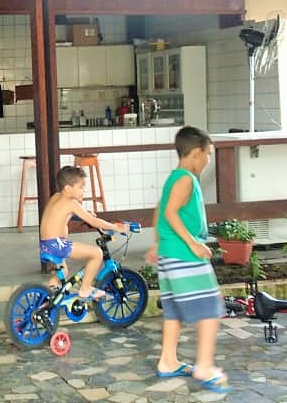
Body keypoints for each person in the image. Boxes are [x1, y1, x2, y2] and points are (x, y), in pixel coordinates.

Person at [144, 126, 230, 394]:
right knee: (210, 307)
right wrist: (193, 243)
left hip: (171, 253)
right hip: (184, 253)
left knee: (174, 310)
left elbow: (161, 209)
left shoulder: (175, 178)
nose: (208, 160)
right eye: (207, 155)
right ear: (195, 153)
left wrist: (158, 242)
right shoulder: (186, 180)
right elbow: (170, 212)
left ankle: (168, 361)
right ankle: (204, 367)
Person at [39, 165, 125, 300]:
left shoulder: (56, 197)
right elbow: (93, 221)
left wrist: (82, 214)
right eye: (81, 187)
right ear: (68, 188)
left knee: (63, 272)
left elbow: (60, 214)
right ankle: (85, 289)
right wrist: (116, 227)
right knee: (97, 253)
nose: (84, 190)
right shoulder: (71, 203)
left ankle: (46, 302)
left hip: (46, 244)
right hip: (58, 245)